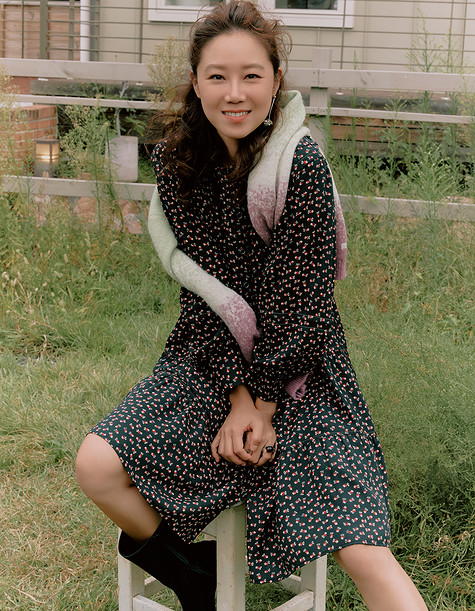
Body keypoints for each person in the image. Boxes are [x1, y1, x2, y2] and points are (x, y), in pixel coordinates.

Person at [75, 2, 428, 609]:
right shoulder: (179, 162)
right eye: (217, 76)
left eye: (251, 76)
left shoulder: (299, 167)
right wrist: (237, 396)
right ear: (195, 82)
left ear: (276, 80)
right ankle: (195, 580)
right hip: (212, 360)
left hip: (301, 373)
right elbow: (203, 296)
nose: (234, 94)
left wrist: (261, 406)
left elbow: (303, 308)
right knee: (96, 465)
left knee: (361, 546)